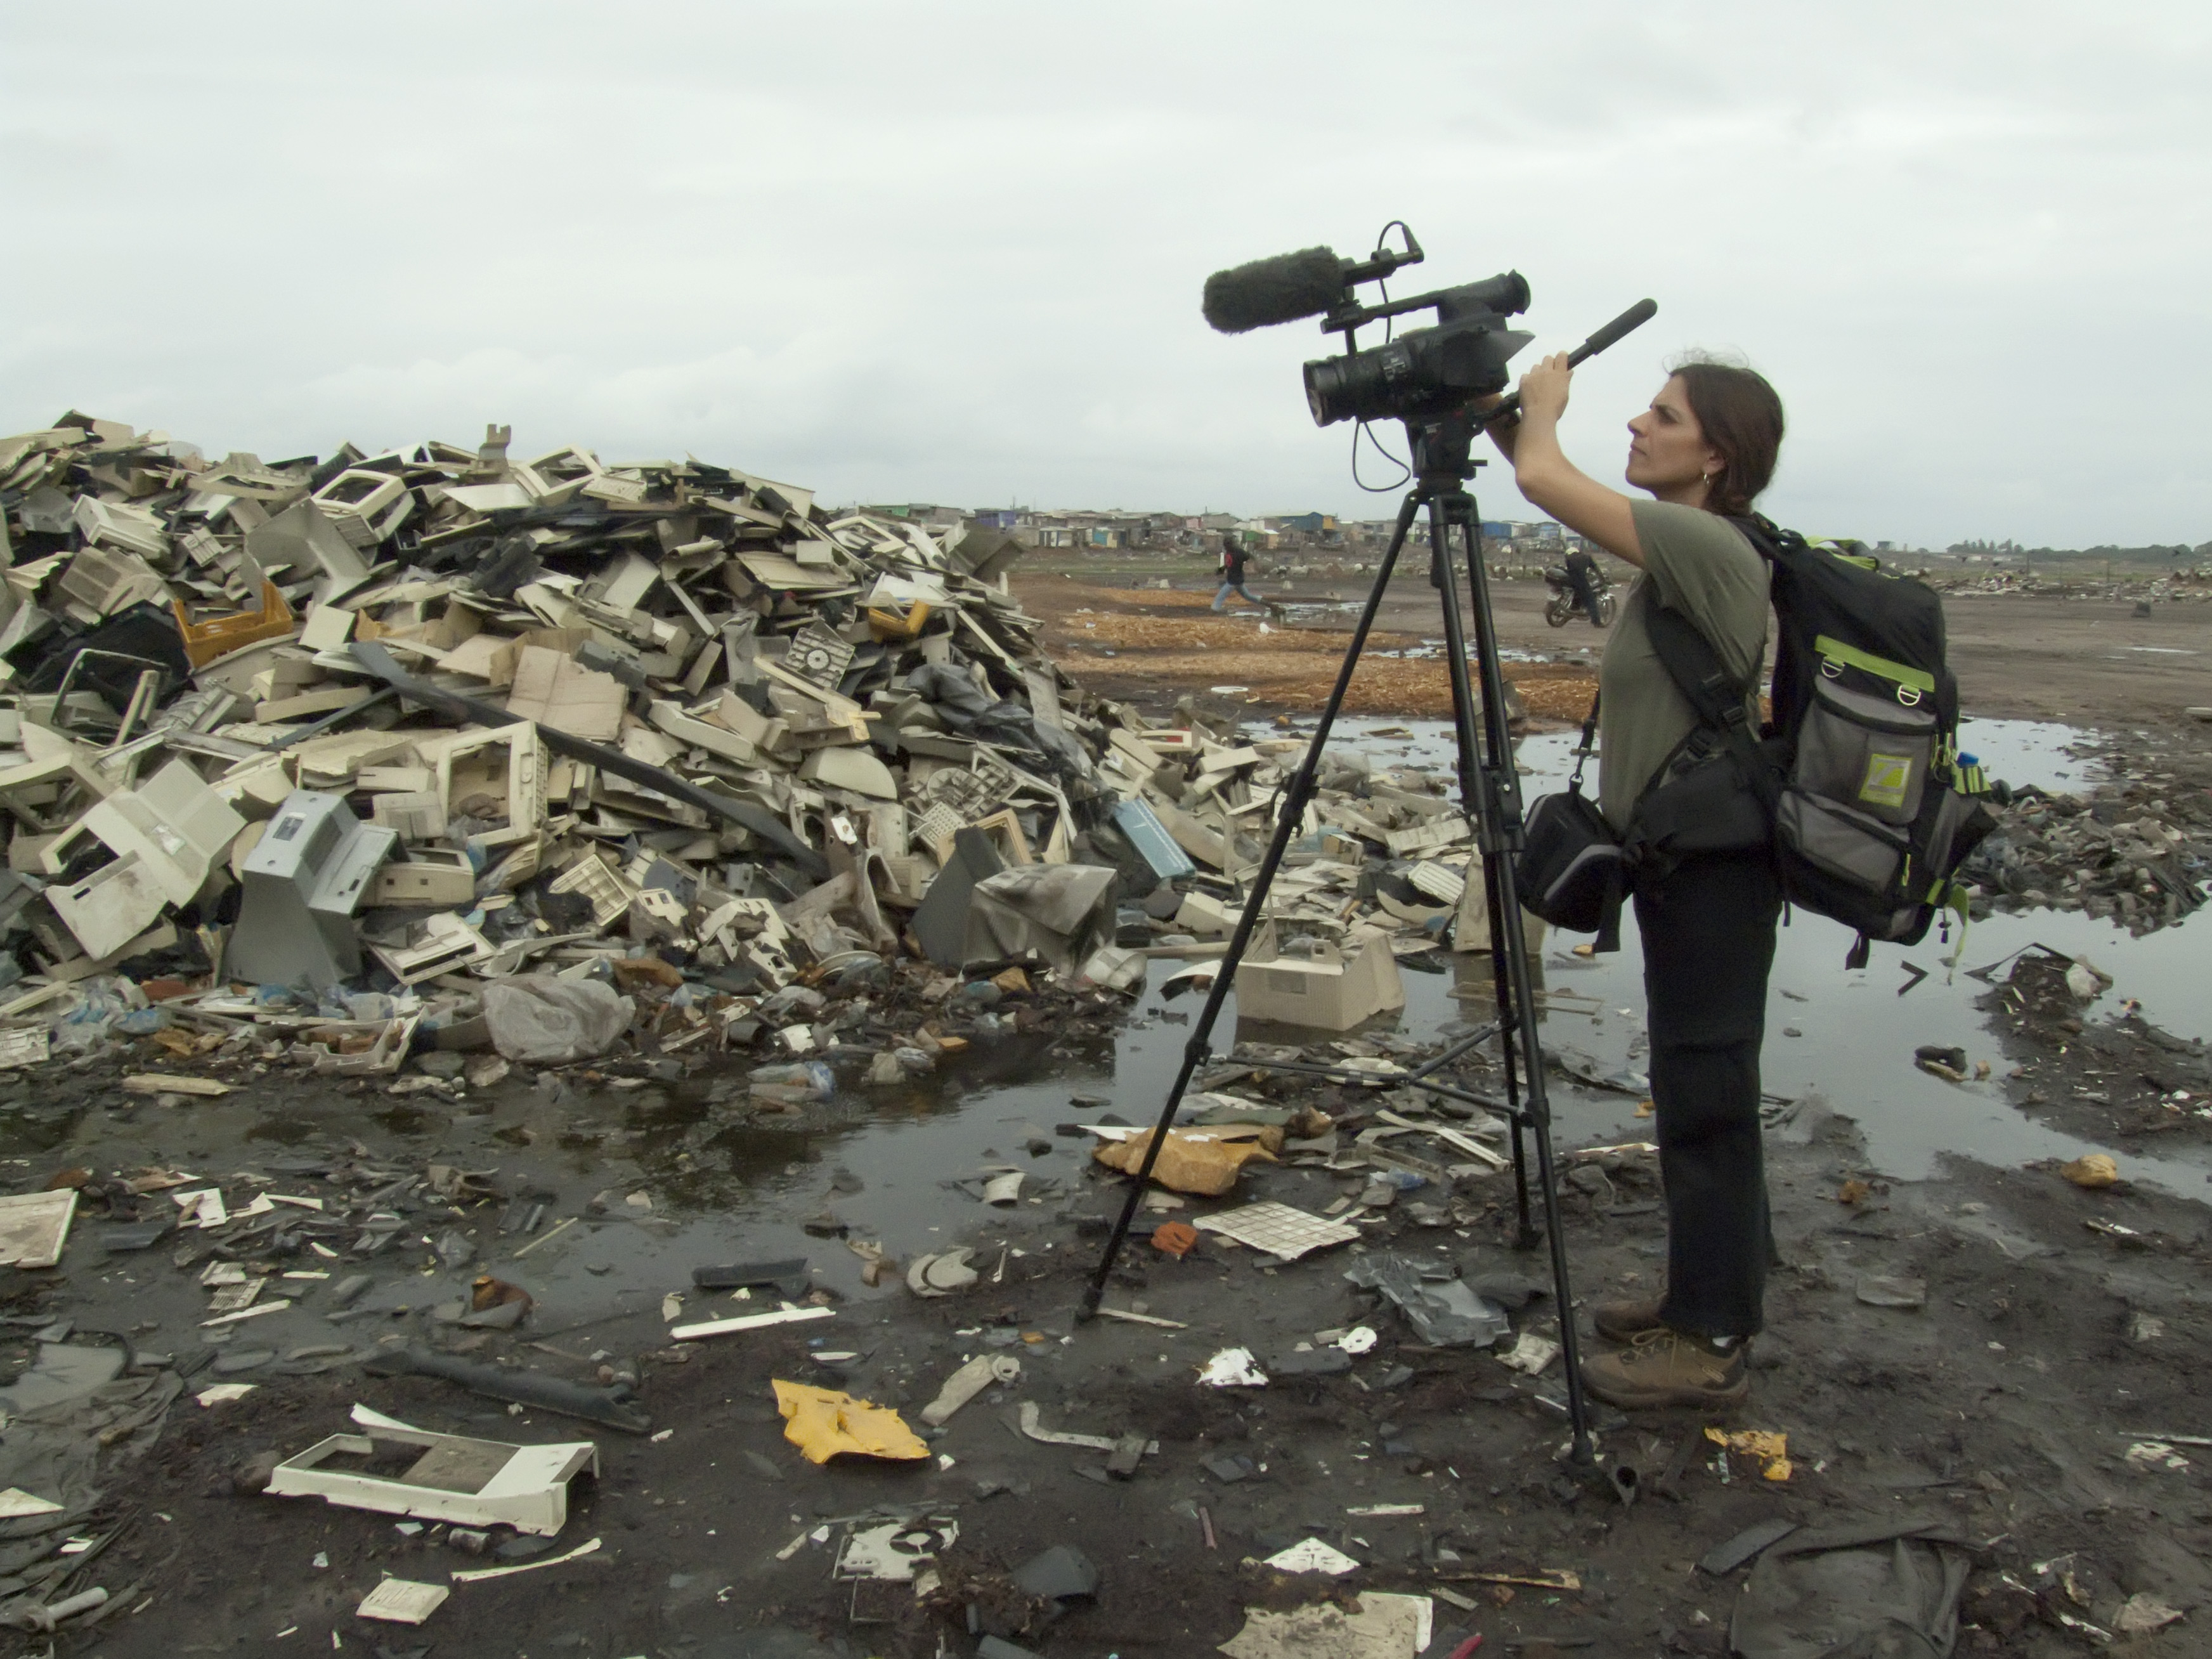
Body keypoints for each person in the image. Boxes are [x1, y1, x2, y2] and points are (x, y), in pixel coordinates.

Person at [1487, 351, 1787, 1408]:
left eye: (1660, 417)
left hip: (1714, 871)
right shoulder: (1679, 553)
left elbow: (1537, 480)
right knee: (1695, 1081)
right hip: (1686, 860)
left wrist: (1542, 414)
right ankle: (1694, 1296)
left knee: (1707, 1093)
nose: (1635, 425)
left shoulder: (1703, 543)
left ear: (1714, 454)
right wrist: (1502, 414)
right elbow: (1538, 476)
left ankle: (1706, 1343)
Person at [1211, 531, 1264, 611]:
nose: (1226, 547)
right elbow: (1231, 564)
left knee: (1219, 599)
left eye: (1227, 545)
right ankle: (1266, 603)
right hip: (1237, 580)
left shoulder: (1239, 552)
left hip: (1233, 581)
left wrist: (1257, 564)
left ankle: (1214, 613)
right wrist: (1222, 569)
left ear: (1231, 544)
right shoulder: (1230, 552)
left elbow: (1250, 556)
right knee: (1248, 597)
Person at [1562, 544, 1603, 623]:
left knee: (1577, 595)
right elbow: (1596, 569)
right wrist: (1603, 580)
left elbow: (1569, 570)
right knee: (1591, 601)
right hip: (1581, 581)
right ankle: (1597, 622)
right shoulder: (1587, 557)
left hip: (1569, 580)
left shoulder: (1569, 558)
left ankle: (1573, 610)